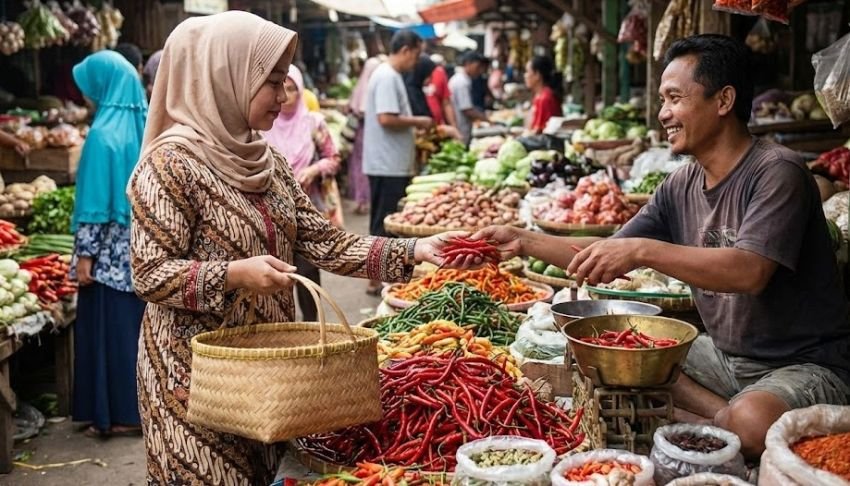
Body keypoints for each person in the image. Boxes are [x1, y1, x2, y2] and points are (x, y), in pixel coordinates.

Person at [471, 34, 850, 460]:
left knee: (751, 422)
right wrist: (523, 241)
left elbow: (749, 271)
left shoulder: (777, 171)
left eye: (674, 98)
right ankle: (717, 420)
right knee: (603, 353)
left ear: (724, 100)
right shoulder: (681, 183)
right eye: (662, 100)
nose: (662, 113)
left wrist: (643, 251)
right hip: (725, 359)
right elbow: (608, 253)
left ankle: (714, 423)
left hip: (802, 365)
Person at [127, 12, 457, 484]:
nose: (284, 98)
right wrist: (235, 275)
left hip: (272, 375)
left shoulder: (268, 161)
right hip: (195, 380)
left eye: (285, 83)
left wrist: (415, 250)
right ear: (227, 76)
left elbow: (323, 240)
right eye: (273, 83)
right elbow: (149, 274)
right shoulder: (168, 167)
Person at [69, 50, 148, 439]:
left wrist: (85, 255)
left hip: (107, 258)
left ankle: (114, 413)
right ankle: (137, 410)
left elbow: (95, 204)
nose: (85, 95)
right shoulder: (145, 125)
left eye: (88, 86)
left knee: (108, 332)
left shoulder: (102, 135)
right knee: (133, 332)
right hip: (141, 253)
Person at [263, 65, 343, 322]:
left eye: (292, 89)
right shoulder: (265, 124)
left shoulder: (313, 122)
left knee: (308, 272)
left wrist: (313, 170)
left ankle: (312, 329)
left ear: (301, 92)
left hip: (308, 210)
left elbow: (334, 158)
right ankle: (284, 335)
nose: (285, 96)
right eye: (280, 88)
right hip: (273, 214)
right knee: (277, 275)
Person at [362, 30, 433, 295]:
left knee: (384, 222)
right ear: (406, 50)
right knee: (384, 223)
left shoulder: (389, 75)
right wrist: (419, 121)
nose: (416, 61)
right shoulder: (387, 76)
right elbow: (386, 118)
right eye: (415, 54)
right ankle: (377, 279)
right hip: (386, 162)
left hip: (388, 161)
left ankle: (378, 277)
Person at [346, 56, 381, 215]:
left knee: (358, 166)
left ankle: (361, 200)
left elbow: (353, 107)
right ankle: (363, 200)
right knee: (363, 167)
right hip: (367, 134)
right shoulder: (373, 86)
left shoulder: (361, 85)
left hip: (360, 133)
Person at [449, 51, 489, 145]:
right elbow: (467, 109)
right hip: (460, 127)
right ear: (468, 64)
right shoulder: (461, 82)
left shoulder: (463, 79)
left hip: (462, 127)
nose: (479, 71)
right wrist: (486, 119)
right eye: (477, 67)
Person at [524, 55, 563, 133]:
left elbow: (539, 131)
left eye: (527, 72)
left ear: (537, 75)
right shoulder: (540, 95)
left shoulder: (545, 98)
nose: (525, 75)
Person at [425, 54, 457, 127]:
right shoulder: (412, 74)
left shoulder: (440, 73)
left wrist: (453, 125)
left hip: (438, 125)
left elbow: (446, 103)